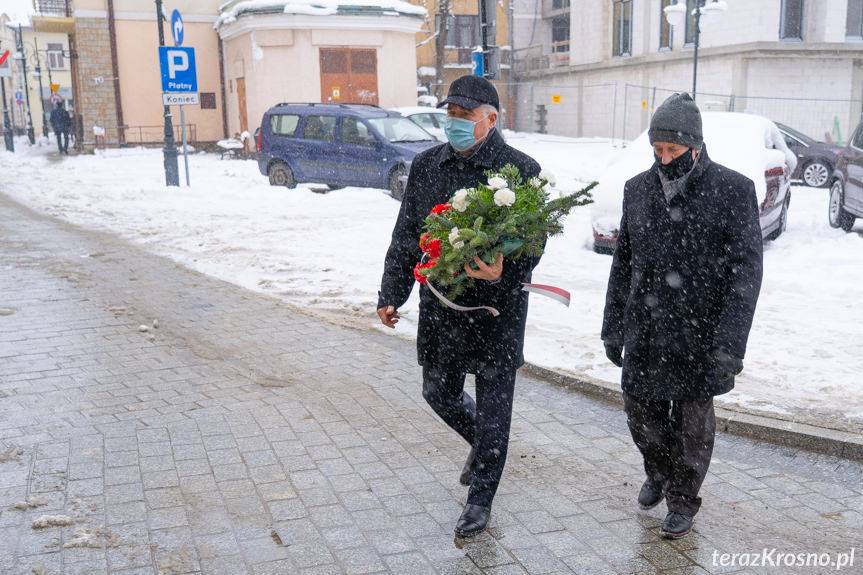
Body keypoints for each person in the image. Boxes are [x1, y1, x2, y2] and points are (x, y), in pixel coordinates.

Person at [377, 75, 542, 538]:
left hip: (496, 310)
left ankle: (480, 498)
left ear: (490, 119)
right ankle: (483, 445)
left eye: (465, 116)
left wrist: (506, 269)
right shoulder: (428, 166)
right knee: (437, 392)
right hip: (442, 304)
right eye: (450, 114)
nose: (455, 122)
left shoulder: (520, 170)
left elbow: (534, 240)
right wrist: (391, 292)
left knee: (495, 410)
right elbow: (407, 233)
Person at [601, 93, 763, 539]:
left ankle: (684, 498)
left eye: (672, 151)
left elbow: (745, 275)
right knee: (641, 414)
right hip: (647, 328)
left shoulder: (732, 190)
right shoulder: (637, 189)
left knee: (693, 424)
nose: (664, 159)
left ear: (695, 146)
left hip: (700, 332)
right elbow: (623, 264)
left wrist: (730, 344)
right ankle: (659, 471)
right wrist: (613, 328)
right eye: (658, 150)